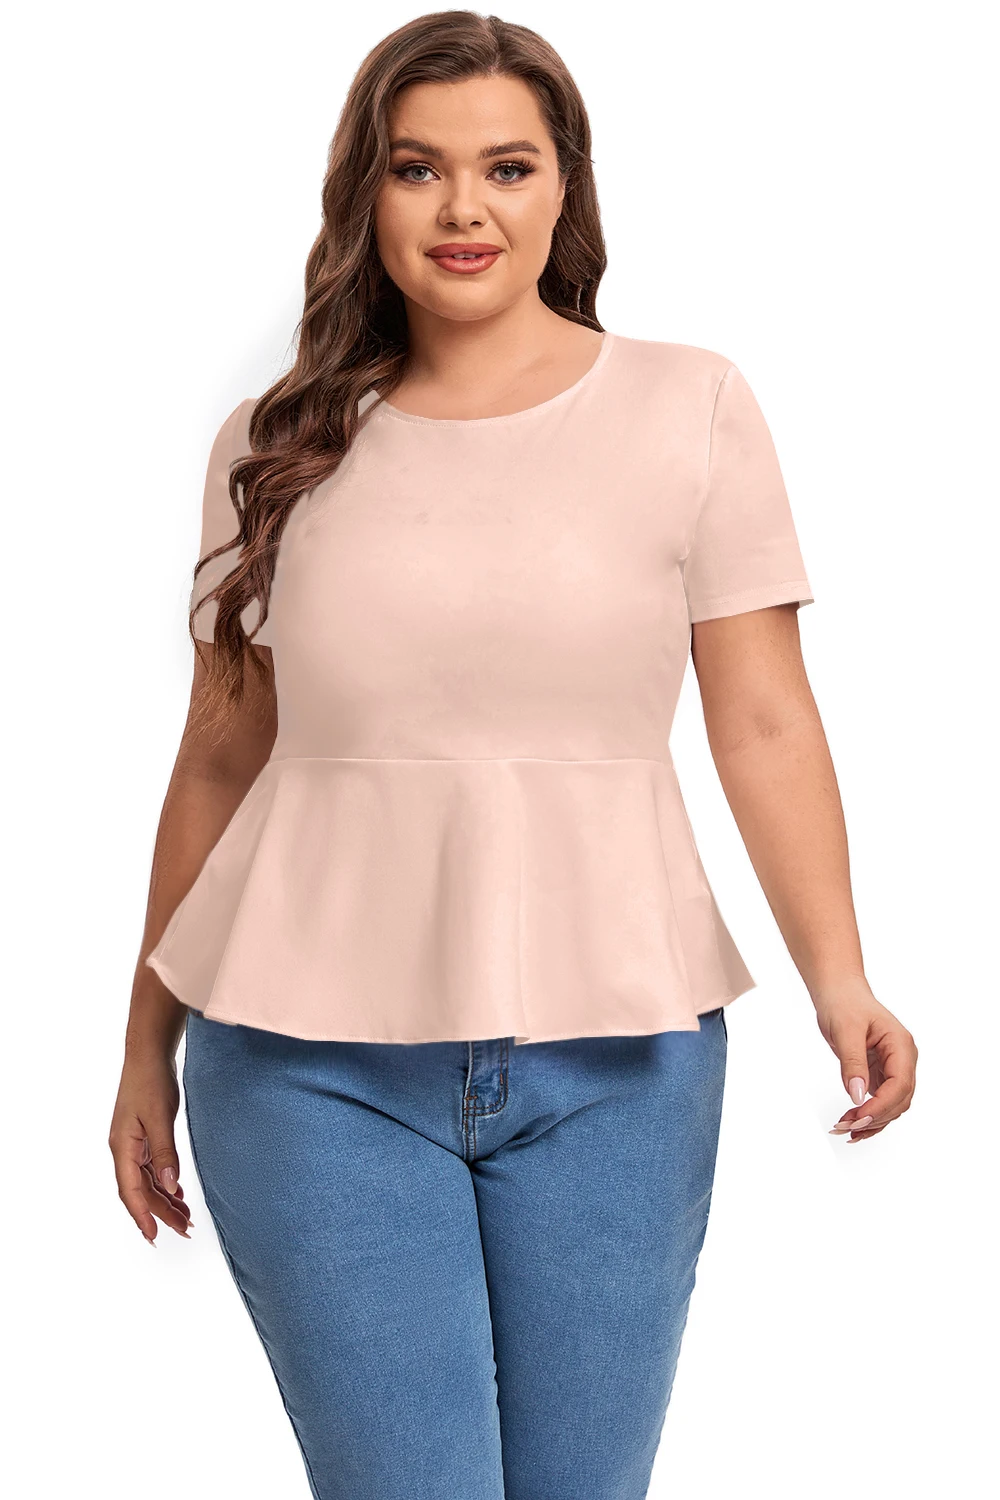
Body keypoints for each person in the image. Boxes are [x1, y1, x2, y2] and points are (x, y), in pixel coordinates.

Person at [109, 12, 918, 1499]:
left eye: (506, 166)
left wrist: (841, 978)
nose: (461, 208)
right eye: (417, 168)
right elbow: (218, 761)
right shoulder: (273, 445)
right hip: (304, 1069)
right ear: (365, 192)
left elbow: (762, 719)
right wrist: (142, 1045)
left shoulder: (692, 405)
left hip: (623, 1062)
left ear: (564, 188)